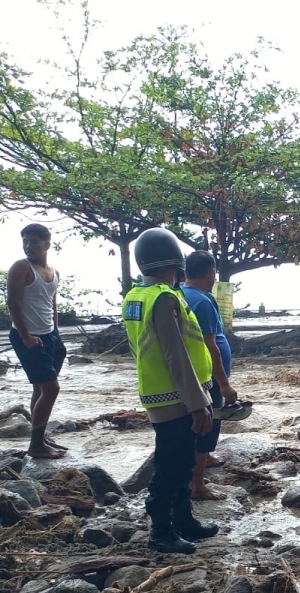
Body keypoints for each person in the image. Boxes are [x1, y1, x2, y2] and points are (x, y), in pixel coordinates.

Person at [122, 228, 218, 554]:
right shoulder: (164, 297)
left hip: (159, 393)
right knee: (171, 466)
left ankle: (183, 521)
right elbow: (176, 355)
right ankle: (161, 532)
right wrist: (198, 404)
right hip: (176, 398)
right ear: (174, 261)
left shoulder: (136, 296)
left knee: (180, 462)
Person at [7, 223, 68, 460]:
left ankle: (39, 436)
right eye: (25, 241)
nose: (27, 246)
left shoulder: (53, 271)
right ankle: (35, 445)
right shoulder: (21, 267)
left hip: (49, 334)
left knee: (40, 388)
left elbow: (51, 303)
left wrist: (56, 332)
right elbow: (13, 302)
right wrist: (25, 336)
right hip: (27, 335)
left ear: (47, 244)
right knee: (51, 389)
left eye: (33, 241)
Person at [181, 251, 239, 501]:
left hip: (193, 372)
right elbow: (210, 344)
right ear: (211, 272)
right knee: (207, 424)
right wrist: (224, 384)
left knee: (197, 423)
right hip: (208, 375)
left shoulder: (180, 295)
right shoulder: (202, 302)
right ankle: (198, 485)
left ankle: (203, 461)